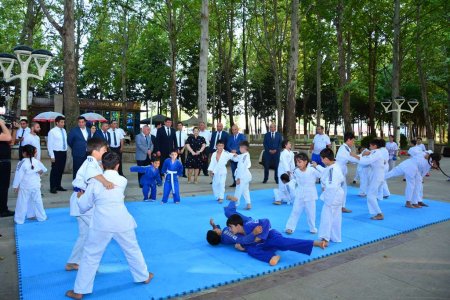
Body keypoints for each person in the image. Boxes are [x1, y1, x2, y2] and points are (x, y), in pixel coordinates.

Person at [65, 151, 152, 300]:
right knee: (132, 249)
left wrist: (80, 197)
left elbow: (84, 206)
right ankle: (143, 276)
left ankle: (79, 290)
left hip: (101, 224)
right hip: (122, 222)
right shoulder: (122, 180)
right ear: (118, 166)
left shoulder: (93, 182)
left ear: (102, 165)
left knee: (90, 256)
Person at [65, 138, 114, 272]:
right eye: (104, 149)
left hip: (83, 200)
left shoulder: (96, 163)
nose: (106, 152)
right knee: (99, 231)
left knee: (85, 234)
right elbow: (94, 176)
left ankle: (73, 261)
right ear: (96, 150)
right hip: (82, 200)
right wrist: (106, 182)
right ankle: (90, 264)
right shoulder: (90, 162)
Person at [225, 212, 326, 265]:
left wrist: (260, 236)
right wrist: (242, 248)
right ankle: (272, 257)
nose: (230, 229)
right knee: (251, 250)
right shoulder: (238, 236)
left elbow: (266, 221)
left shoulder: (249, 224)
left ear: (238, 225)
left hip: (271, 236)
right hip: (263, 246)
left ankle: (314, 243)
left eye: (231, 227)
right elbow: (244, 242)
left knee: (284, 243)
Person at [285, 153, 322, 234]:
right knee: (295, 211)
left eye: (299, 162)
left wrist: (317, 166)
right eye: (296, 162)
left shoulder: (312, 169)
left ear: (305, 162)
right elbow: (293, 180)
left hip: (310, 194)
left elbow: (322, 175)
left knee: (311, 213)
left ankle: (312, 228)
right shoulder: (296, 171)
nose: (298, 164)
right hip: (300, 193)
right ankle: (290, 227)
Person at [12, 145, 47, 224]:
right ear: (34, 153)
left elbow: (18, 175)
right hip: (35, 185)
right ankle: (41, 217)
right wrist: (39, 171)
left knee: (22, 202)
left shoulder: (21, 163)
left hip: (25, 186)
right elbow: (43, 170)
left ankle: (19, 220)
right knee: (37, 201)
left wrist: (15, 186)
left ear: (24, 153)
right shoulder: (37, 161)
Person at [317, 148, 345, 246]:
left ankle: (325, 238)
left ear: (326, 159)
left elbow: (331, 186)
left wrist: (327, 197)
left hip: (332, 197)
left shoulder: (332, 170)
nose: (321, 161)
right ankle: (336, 237)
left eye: (321, 159)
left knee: (327, 217)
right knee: (336, 217)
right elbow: (326, 172)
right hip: (338, 196)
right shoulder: (335, 166)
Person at [358, 139, 385, 220]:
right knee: (372, 195)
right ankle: (375, 212)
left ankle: (379, 213)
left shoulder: (377, 152)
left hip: (377, 177)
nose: (369, 147)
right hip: (376, 176)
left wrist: (357, 157)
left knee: (370, 196)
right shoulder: (374, 152)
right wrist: (361, 156)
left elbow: (367, 161)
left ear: (375, 146)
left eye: (370, 145)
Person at [335, 132, 360, 213]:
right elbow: (351, 159)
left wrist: (359, 158)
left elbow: (352, 159)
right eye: (353, 141)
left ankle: (341, 206)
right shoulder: (343, 148)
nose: (353, 143)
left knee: (342, 189)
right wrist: (362, 159)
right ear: (348, 140)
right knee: (340, 189)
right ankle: (340, 206)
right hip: (338, 171)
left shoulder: (346, 148)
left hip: (341, 170)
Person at [226, 141, 252, 210]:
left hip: (242, 176)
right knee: (245, 190)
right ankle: (248, 204)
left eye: (240, 147)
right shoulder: (245, 155)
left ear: (243, 148)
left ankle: (234, 205)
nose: (239, 149)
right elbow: (236, 158)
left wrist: (238, 178)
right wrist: (231, 155)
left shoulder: (244, 156)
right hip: (246, 176)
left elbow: (241, 168)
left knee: (238, 190)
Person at [47, 116, 68, 194]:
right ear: (57, 122)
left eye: (63, 122)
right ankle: (53, 187)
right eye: (61, 122)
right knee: (54, 170)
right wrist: (52, 155)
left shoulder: (64, 131)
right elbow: (49, 144)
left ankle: (58, 185)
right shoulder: (52, 131)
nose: (63, 124)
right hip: (56, 153)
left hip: (63, 152)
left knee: (60, 170)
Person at [0, 119, 14, 218]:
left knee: (4, 187)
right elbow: (8, 137)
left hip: (4, 162)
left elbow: (11, 141)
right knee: (2, 187)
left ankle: (3, 208)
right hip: (1, 163)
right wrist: (1, 123)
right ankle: (2, 210)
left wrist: (14, 129)